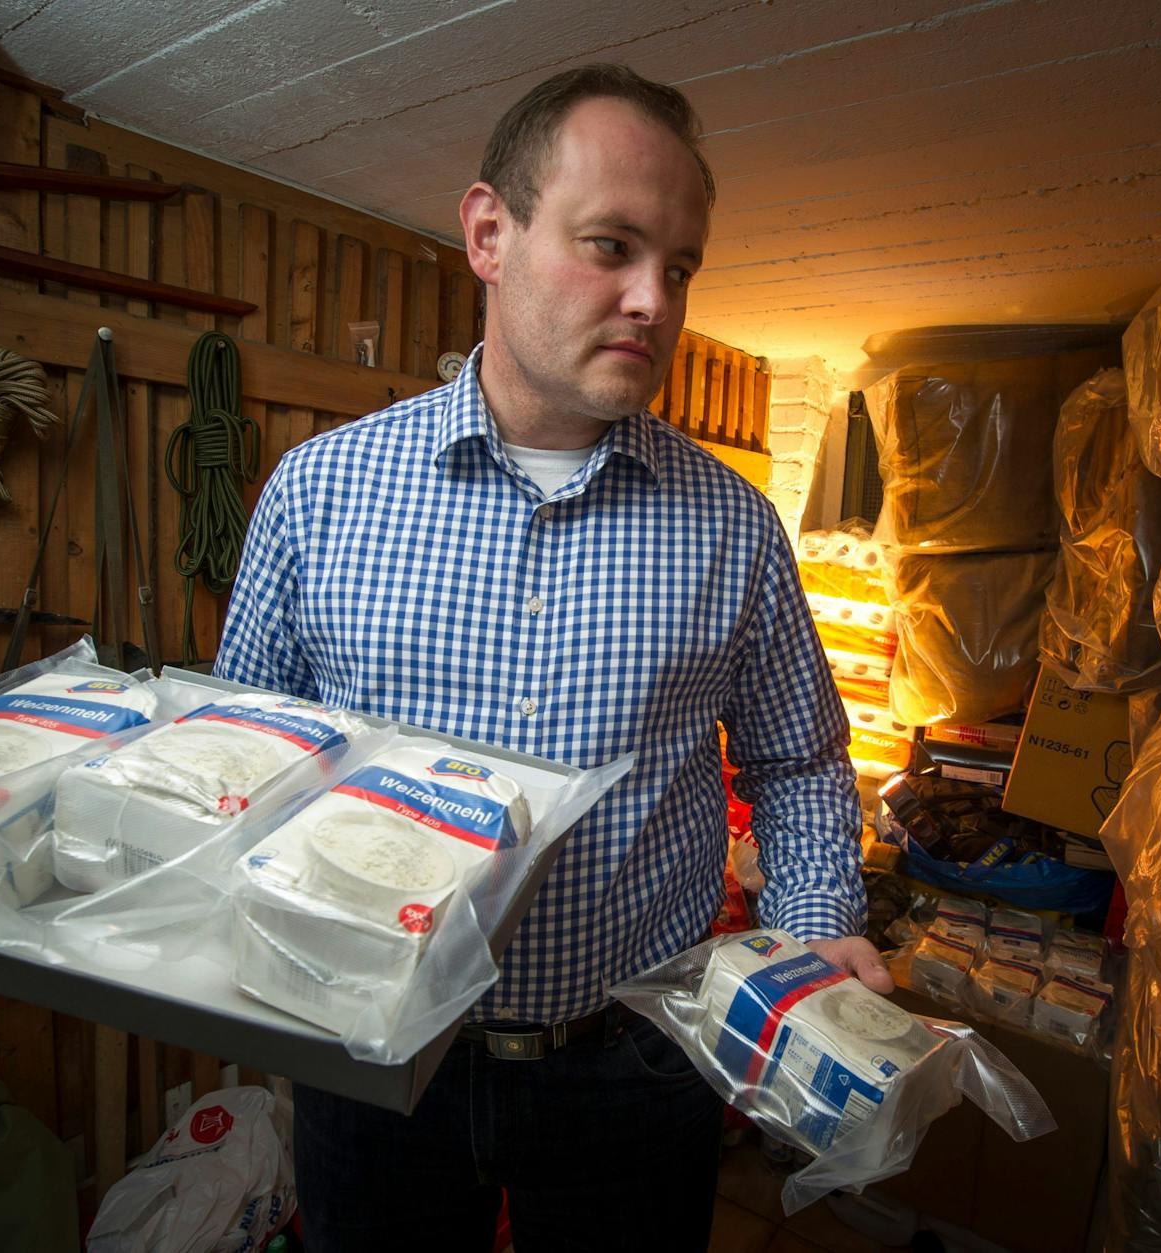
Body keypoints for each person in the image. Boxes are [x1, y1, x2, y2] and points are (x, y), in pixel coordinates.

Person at [213, 62, 887, 1251]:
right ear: (488, 231)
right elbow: (245, 759)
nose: (653, 300)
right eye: (610, 245)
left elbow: (799, 757)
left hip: (632, 1066)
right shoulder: (320, 493)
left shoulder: (732, 525)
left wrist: (818, 919)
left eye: (678, 267)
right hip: (373, 1050)